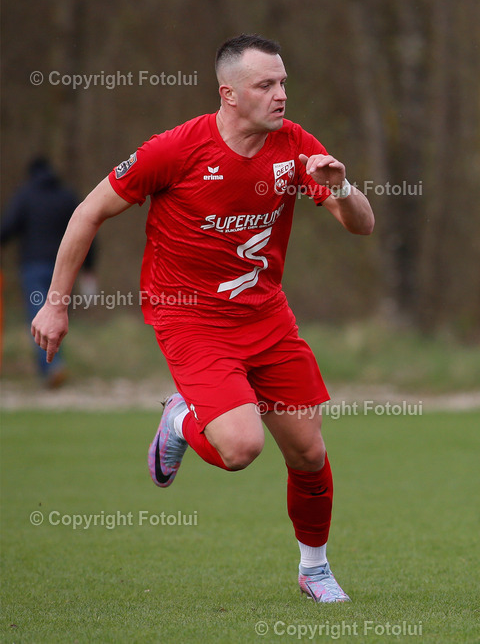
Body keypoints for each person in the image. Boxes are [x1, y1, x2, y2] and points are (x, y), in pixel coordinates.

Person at [31, 34, 374, 603]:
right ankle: (179, 422)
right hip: (189, 318)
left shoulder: (295, 148)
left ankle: (314, 569)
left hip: (266, 317)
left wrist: (342, 189)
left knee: (309, 453)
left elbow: (361, 225)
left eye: (283, 81)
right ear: (230, 94)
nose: (281, 94)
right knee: (240, 448)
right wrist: (56, 301)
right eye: (266, 85)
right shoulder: (177, 150)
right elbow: (88, 210)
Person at [1, 157, 97, 387]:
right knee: (57, 315)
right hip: (64, 269)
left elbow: (7, 228)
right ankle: (53, 367)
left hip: (33, 266)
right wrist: (89, 269)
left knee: (39, 316)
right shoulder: (67, 197)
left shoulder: (25, 195)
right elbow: (88, 230)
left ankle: (52, 367)